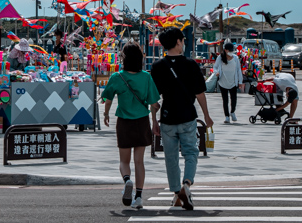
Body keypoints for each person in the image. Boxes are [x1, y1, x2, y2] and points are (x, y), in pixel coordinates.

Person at [149, 27, 213, 211]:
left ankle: (177, 193)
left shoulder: (157, 66)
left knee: (170, 158)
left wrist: (154, 119)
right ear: (178, 41)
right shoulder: (191, 64)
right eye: (183, 40)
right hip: (187, 116)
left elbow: (154, 98)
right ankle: (186, 184)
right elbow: (200, 93)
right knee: (191, 153)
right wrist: (207, 115)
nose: (184, 43)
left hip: (168, 118)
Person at [101, 43, 160, 209]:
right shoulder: (146, 77)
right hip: (142, 121)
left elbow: (108, 98)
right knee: (139, 161)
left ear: (124, 58)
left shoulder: (117, 77)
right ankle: (139, 197)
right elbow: (154, 103)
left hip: (124, 122)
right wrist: (155, 121)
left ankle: (127, 181)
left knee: (124, 161)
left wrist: (106, 114)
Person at [211, 40, 244, 124]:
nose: (231, 52)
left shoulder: (235, 58)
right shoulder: (220, 58)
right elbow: (215, 67)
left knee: (234, 99)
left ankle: (232, 112)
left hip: (233, 82)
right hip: (223, 81)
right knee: (225, 100)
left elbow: (238, 70)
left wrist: (240, 81)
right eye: (229, 50)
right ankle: (226, 116)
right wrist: (217, 72)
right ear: (225, 50)